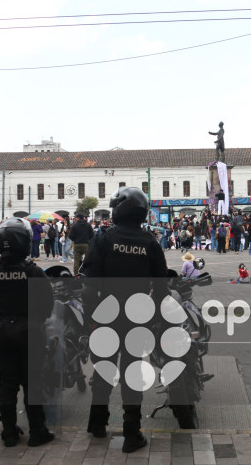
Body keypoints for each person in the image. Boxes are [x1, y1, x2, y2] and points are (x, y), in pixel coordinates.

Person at [80, 187, 169, 453]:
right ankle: (132, 434)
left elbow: (88, 285)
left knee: (104, 371)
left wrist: (90, 319)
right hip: (137, 318)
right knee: (132, 374)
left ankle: (97, 424)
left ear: (119, 209)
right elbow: (162, 287)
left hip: (106, 316)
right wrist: (153, 318)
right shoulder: (150, 242)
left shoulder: (104, 239)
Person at [0, 217, 55, 448]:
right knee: (32, 383)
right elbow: (47, 304)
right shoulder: (33, 272)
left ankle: (9, 432)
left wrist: (6, 315)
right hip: (30, 330)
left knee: (6, 384)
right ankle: (37, 431)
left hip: (3, 330)